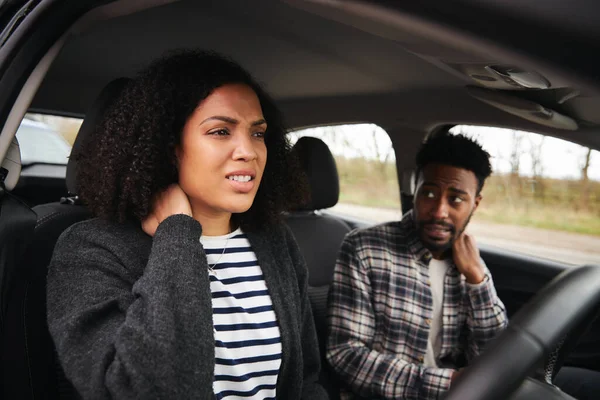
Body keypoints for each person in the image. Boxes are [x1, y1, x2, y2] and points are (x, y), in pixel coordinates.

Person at [47, 50, 328, 400]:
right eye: (221, 131)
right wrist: (178, 234)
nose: (249, 151)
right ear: (167, 147)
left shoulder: (274, 241)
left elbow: (305, 384)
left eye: (257, 134)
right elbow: (142, 389)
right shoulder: (91, 249)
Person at [326, 133, 508, 399]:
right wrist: (448, 383)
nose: (438, 211)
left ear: (475, 204)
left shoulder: (470, 262)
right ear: (415, 189)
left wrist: (477, 281)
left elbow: (498, 358)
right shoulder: (364, 248)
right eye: (430, 193)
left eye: (456, 199)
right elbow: (345, 355)